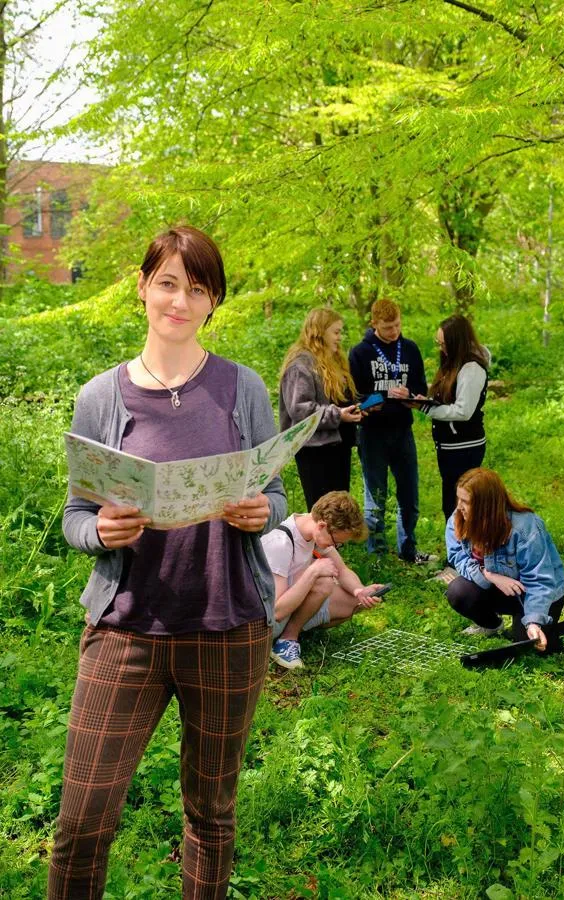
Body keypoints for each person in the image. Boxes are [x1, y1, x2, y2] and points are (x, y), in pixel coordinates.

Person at [48, 226, 287, 899]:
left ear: (214, 301)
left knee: (210, 816)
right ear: (144, 288)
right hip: (126, 629)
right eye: (168, 283)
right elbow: (73, 517)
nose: (180, 300)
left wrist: (259, 513)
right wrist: (101, 530)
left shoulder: (243, 389)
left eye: (198, 287)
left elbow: (274, 492)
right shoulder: (102, 397)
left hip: (228, 627)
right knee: (82, 817)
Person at [445, 468, 564, 652]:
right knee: (458, 591)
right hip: (500, 587)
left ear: (486, 505)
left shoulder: (525, 528)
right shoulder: (459, 518)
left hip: (536, 591)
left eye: (466, 502)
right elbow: (457, 556)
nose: (459, 507)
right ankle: (491, 625)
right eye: (459, 499)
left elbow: (540, 580)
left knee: (530, 646)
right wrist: (489, 575)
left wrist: (533, 622)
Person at [349, 298, 435, 564]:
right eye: (387, 328)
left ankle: (408, 550)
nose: (394, 332)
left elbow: (421, 385)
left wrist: (410, 394)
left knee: (409, 494)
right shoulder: (360, 353)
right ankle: (377, 556)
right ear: (374, 323)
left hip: (402, 431)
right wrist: (377, 397)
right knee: (376, 496)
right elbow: (354, 393)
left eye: (397, 325)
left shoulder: (409, 349)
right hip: (372, 433)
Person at [262, 491, 385, 669]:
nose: (335, 547)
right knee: (323, 580)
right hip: (267, 624)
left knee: (355, 602)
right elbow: (276, 612)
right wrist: (313, 572)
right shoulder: (280, 542)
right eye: (336, 542)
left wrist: (359, 591)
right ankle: (287, 640)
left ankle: (294, 631)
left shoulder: (313, 532)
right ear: (321, 526)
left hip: (291, 606)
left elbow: (342, 571)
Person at [279, 307, 362, 510]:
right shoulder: (301, 366)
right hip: (314, 451)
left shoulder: (332, 361)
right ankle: (318, 544)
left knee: (338, 511)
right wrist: (338, 415)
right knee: (322, 513)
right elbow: (299, 409)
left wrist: (355, 408)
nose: (339, 337)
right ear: (319, 332)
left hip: (337, 446)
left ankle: (335, 544)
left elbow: (337, 399)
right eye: (335, 332)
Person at [416, 314, 490, 521]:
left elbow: (463, 411)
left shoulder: (471, 368)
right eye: (438, 343)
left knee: (462, 504)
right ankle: (457, 548)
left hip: (464, 447)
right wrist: (425, 400)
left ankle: (465, 549)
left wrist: (426, 408)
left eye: (444, 344)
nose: (441, 348)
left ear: (457, 341)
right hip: (448, 446)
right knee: (450, 501)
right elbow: (447, 398)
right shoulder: (452, 363)